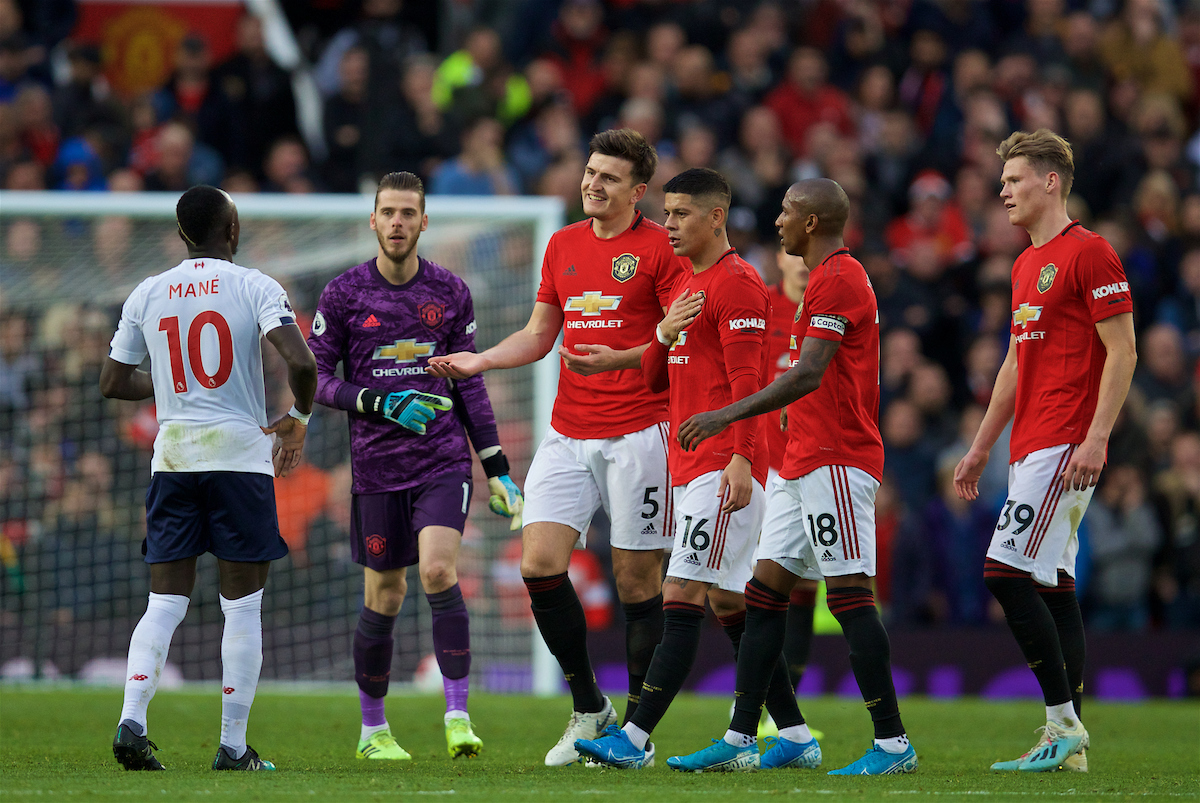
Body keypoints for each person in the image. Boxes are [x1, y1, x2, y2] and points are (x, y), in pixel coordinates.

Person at [427, 128, 682, 766]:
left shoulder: (661, 248)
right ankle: (588, 707)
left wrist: (620, 359)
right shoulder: (563, 244)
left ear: (638, 191)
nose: (592, 183)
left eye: (609, 177)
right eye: (589, 171)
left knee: (634, 581)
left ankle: (635, 733)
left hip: (640, 432)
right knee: (538, 563)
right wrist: (480, 360)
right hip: (569, 430)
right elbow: (542, 334)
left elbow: (679, 340)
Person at [669, 178, 918, 775]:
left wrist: (725, 415)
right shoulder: (820, 281)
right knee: (762, 595)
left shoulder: (839, 279)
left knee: (852, 597)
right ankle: (741, 739)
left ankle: (892, 743)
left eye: (786, 211)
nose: (777, 221)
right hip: (800, 461)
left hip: (836, 458)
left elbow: (807, 374)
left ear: (811, 222)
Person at [571, 168, 803, 770]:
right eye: (666, 213)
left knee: (680, 591)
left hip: (724, 468)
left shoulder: (740, 284)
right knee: (731, 604)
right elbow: (655, 378)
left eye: (679, 214)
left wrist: (742, 459)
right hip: (690, 464)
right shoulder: (687, 289)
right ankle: (797, 736)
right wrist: (662, 331)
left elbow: (753, 387)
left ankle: (635, 736)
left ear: (716, 216)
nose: (667, 224)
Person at [307, 171, 523, 761]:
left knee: (436, 571)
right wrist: (379, 401)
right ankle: (373, 731)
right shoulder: (344, 294)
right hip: (375, 469)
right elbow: (318, 380)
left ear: (424, 222)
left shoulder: (450, 291)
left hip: (441, 460)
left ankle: (457, 715)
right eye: (389, 213)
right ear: (372, 221)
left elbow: (470, 385)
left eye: (409, 213)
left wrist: (497, 467)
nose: (398, 223)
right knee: (384, 594)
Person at [102, 185, 318, 772]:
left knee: (164, 601)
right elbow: (302, 362)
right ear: (234, 229)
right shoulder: (255, 285)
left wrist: (173, 383)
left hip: (173, 458)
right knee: (242, 608)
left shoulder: (148, 293)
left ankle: (132, 719)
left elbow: (112, 382)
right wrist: (297, 420)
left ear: (181, 235)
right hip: (239, 459)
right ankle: (232, 746)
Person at [953, 129, 1137, 773]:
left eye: (1013, 179)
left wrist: (1096, 436)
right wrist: (981, 448)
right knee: (1053, 585)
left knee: (1002, 571)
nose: (1002, 190)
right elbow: (1014, 363)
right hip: (1030, 443)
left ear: (1050, 181)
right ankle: (1072, 746)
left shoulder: (1090, 253)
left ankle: (1062, 725)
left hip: (1066, 440)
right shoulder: (1025, 264)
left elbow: (1124, 350)